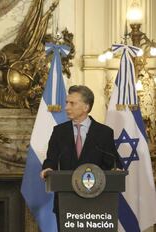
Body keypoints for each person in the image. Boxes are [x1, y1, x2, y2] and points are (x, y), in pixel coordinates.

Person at [39, 85, 123, 230]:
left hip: (96, 204)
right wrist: (47, 168)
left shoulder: (104, 133)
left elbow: (112, 161)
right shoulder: (59, 132)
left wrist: (116, 169)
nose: (66, 107)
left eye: (72, 103)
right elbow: (51, 159)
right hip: (66, 203)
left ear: (86, 107)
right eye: (66, 102)